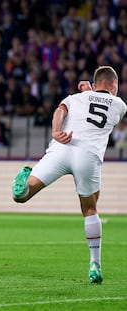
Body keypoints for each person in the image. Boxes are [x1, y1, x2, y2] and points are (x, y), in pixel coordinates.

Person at [11, 66, 127, 284]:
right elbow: (103, 103)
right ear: (113, 85)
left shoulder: (74, 98)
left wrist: (56, 130)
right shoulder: (120, 105)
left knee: (22, 197)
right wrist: (90, 90)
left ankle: (22, 185)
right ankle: (95, 264)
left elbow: (60, 110)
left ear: (94, 83)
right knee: (90, 209)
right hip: (88, 155)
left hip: (61, 146)